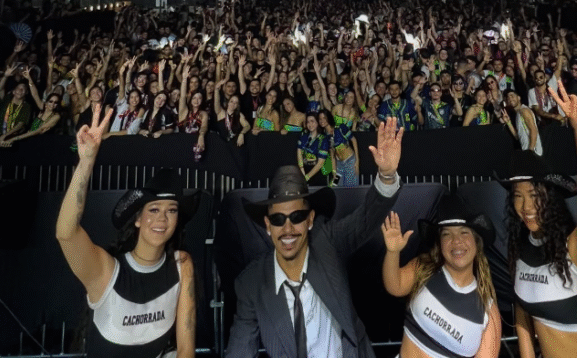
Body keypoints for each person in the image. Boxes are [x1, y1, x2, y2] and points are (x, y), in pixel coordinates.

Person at [226, 117, 404, 358]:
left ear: (310, 220)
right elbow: (240, 348)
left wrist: (387, 175)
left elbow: (366, 218)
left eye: (297, 216)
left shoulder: (327, 243)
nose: (288, 228)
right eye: (278, 219)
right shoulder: (252, 283)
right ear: (267, 225)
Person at [55, 105, 198, 357]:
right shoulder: (106, 271)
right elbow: (66, 233)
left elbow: (186, 350)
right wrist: (86, 161)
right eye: (154, 209)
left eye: (172, 210)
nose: (162, 219)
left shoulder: (182, 265)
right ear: (138, 219)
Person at [500, 81, 577, 358]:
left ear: (552, 198)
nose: (526, 206)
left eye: (535, 195)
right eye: (518, 195)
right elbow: (523, 311)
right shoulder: (521, 246)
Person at [381, 194, 501, 358]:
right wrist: (392, 252)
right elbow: (394, 286)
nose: (456, 241)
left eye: (464, 232)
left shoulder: (488, 311)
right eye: (447, 234)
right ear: (439, 243)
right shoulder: (424, 268)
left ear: (476, 242)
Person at [499, 89, 543, 156]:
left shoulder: (524, 110)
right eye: (508, 98)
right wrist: (508, 122)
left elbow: (533, 130)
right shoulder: (518, 114)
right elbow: (517, 137)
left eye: (512, 96)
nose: (510, 99)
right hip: (527, 152)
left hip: (534, 153)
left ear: (519, 98)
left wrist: (530, 151)